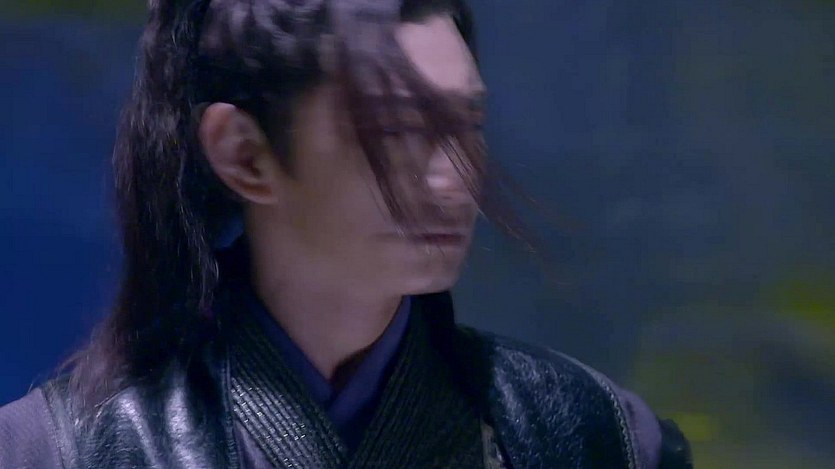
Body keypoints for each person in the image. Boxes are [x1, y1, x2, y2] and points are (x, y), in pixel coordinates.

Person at [0, 0, 691, 467]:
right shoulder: (56, 452)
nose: (452, 177)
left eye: (466, 123)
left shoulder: (590, 435)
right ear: (245, 154)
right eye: (393, 128)